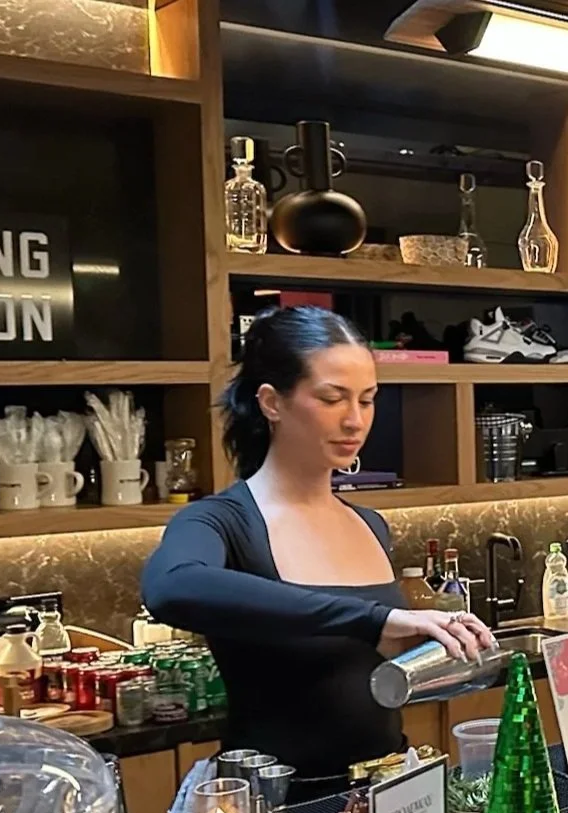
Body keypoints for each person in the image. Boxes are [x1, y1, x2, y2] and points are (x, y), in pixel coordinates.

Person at [142, 307, 494, 784]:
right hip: (280, 812)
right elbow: (170, 587)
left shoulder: (371, 524)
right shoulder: (221, 521)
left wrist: (427, 645)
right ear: (272, 402)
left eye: (367, 400)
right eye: (332, 398)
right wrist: (376, 621)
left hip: (390, 791)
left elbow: (357, 670)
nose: (355, 421)